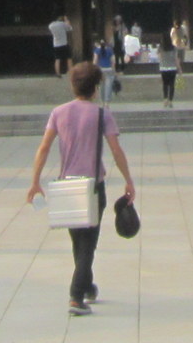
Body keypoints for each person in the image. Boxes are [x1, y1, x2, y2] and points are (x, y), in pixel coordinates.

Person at [26, 61, 136, 315]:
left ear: (73, 85)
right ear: (96, 87)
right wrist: (128, 180)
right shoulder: (101, 114)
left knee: (79, 240)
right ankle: (76, 296)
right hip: (93, 186)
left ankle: (87, 285)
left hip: (68, 185)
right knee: (89, 242)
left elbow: (43, 148)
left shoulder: (58, 112)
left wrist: (35, 182)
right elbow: (115, 150)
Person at [158, 22, 183, 104]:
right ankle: (170, 100)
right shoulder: (174, 48)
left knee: (165, 84)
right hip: (172, 68)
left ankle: (165, 99)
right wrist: (179, 69)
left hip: (163, 68)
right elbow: (176, 59)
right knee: (172, 84)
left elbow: (159, 58)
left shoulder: (160, 48)